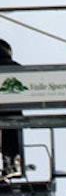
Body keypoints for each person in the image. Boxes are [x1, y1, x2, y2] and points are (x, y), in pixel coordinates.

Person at [0, 39, 25, 179]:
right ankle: (11, 159)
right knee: (13, 119)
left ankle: (10, 159)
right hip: (11, 110)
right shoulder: (15, 68)